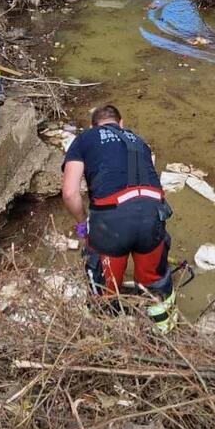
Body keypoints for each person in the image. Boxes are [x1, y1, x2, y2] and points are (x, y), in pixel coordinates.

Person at [61, 104, 176, 333]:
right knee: (154, 282)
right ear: (120, 123)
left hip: (111, 223)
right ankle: (164, 333)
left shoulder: (84, 139)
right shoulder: (139, 141)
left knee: (105, 289)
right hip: (152, 216)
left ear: (93, 125)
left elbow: (69, 193)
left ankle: (107, 337)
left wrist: (83, 228)